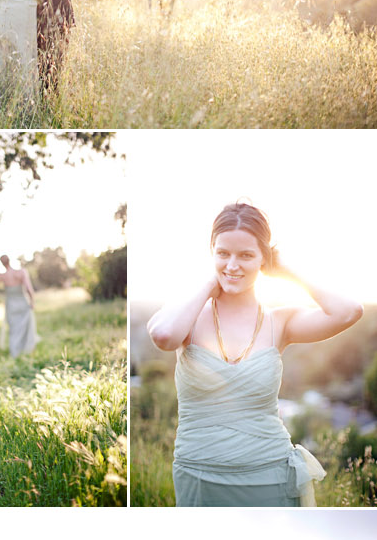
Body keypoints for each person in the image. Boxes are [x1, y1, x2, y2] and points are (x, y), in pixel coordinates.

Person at [148, 201, 363, 507]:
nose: (233, 265)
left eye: (246, 255)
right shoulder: (188, 315)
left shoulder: (280, 322)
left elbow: (349, 312)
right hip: (199, 474)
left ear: (264, 259)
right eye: (223, 253)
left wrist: (286, 271)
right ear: (211, 252)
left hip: (269, 473)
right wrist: (210, 282)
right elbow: (164, 336)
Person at [0, 254, 37, 357]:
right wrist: (32, 302)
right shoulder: (21, 272)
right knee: (25, 327)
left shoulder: (2, 276)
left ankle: (15, 353)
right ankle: (25, 351)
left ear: (2, 263)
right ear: (9, 261)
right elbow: (29, 289)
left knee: (13, 329)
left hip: (11, 305)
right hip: (23, 304)